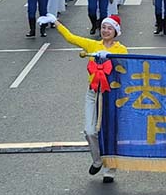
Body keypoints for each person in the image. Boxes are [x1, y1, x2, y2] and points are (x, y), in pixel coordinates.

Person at [37, 13, 128, 183]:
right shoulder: (92, 45)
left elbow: (125, 69)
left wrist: (111, 59)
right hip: (93, 93)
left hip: (110, 96)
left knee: (108, 132)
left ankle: (110, 169)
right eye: (103, 27)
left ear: (116, 32)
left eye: (109, 28)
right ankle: (98, 160)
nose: (105, 31)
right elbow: (71, 38)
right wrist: (55, 22)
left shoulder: (121, 50)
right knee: (89, 130)